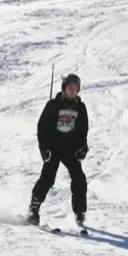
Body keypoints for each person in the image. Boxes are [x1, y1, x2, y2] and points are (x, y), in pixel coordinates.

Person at [27, 73, 90, 228]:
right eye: (70, 88)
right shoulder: (53, 105)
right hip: (54, 147)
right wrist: (44, 148)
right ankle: (34, 209)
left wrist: (82, 147)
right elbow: (42, 128)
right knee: (47, 178)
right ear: (64, 88)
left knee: (79, 178)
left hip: (70, 149)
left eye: (75, 88)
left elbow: (83, 131)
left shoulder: (80, 108)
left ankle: (79, 212)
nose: (72, 91)